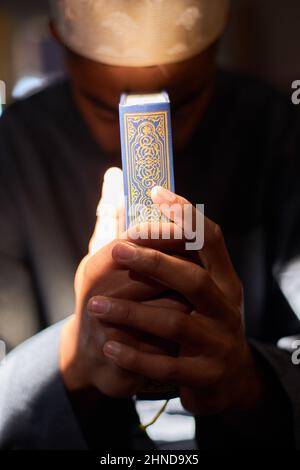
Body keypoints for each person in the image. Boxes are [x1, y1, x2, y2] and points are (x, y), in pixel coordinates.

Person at [0, 0, 300, 449]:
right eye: (108, 110)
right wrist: (71, 361)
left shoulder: (282, 136)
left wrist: (248, 381)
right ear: (60, 43)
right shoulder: (12, 152)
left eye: (175, 108)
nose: (140, 145)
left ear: (217, 47)